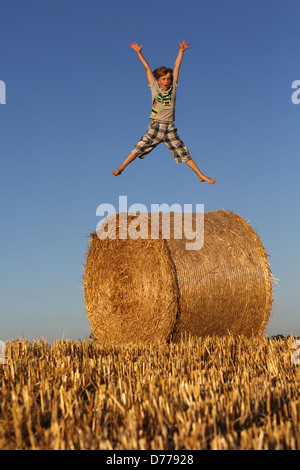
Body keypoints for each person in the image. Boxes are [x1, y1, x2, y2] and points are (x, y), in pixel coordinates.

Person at [111, 40, 215, 184]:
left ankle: (201, 175)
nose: (167, 81)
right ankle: (122, 167)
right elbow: (147, 69)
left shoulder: (173, 87)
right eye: (164, 79)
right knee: (139, 147)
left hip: (170, 127)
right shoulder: (154, 87)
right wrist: (139, 53)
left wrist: (182, 51)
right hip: (156, 126)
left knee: (183, 152)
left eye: (168, 79)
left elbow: (177, 66)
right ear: (158, 80)